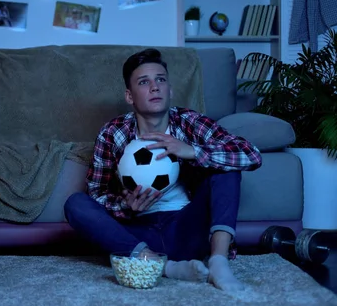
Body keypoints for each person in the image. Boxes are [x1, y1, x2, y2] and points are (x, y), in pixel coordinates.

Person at [64, 48, 262, 292]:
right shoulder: (113, 133)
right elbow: (95, 193)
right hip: (138, 235)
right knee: (75, 204)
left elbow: (250, 154)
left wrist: (193, 151)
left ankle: (218, 262)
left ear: (170, 89)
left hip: (186, 227)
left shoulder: (188, 122)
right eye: (144, 82)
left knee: (227, 167)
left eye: (161, 80)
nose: (155, 87)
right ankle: (159, 265)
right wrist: (125, 206)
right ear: (129, 96)